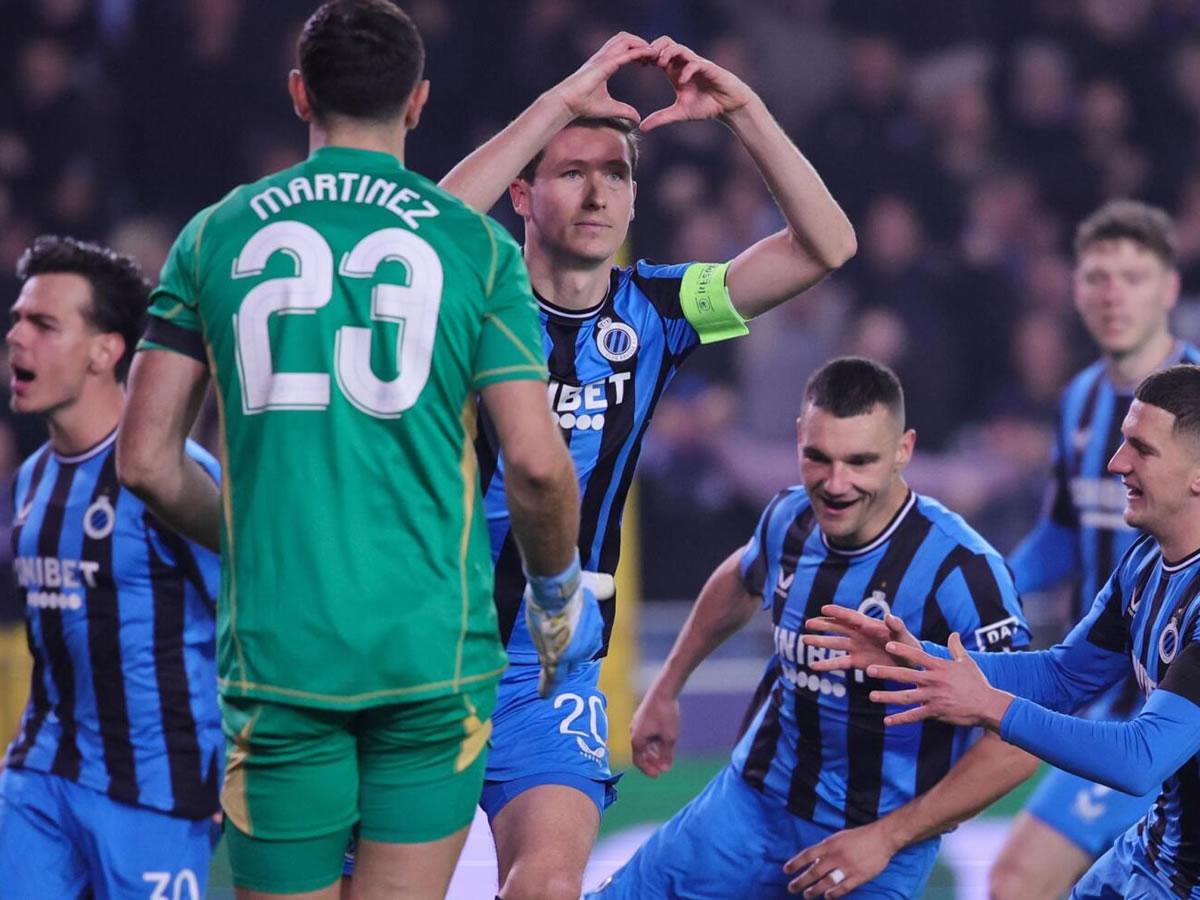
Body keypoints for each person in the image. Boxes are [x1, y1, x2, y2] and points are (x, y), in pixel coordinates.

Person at [115, 2, 600, 897]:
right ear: (417, 102)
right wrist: (557, 590)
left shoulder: (216, 234)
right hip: (430, 653)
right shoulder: (473, 246)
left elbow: (144, 459)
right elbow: (536, 462)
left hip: (280, 655)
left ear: (300, 93)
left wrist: (253, 537)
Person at [434, 32, 858, 900]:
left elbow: (826, 247)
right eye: (572, 171)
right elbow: (417, 229)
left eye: (618, 174)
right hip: (423, 652)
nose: (599, 192)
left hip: (546, 673)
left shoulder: (660, 309)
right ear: (521, 192)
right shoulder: (459, 296)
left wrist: (743, 110)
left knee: (548, 884)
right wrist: (559, 100)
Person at [590, 357, 1037, 899]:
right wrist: (667, 686)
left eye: (860, 462)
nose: (835, 484)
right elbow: (740, 576)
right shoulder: (789, 516)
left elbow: (1021, 741)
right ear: (799, 438)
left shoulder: (964, 574)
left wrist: (887, 837)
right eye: (818, 458)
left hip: (876, 846)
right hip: (750, 806)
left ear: (905, 450)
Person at [811, 363, 1200, 900]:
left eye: (1141, 449)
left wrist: (988, 706)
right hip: (1159, 854)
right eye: (1120, 443)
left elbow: (1139, 760)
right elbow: (1065, 675)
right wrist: (915, 658)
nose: (1116, 463)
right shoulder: (1146, 562)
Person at [0, 236, 222, 898]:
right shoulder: (31, 481)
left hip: (156, 788)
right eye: (16, 318)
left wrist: (240, 762)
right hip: (40, 778)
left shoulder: (177, 479)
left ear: (106, 351)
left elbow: (252, 619)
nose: (16, 337)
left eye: (43, 324)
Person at [992, 200, 1200, 899]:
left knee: (1020, 876)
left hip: (1156, 706)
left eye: (1133, 277)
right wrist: (982, 600)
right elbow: (1058, 533)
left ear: (1169, 288)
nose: (1113, 296)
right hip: (1106, 678)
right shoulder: (1082, 399)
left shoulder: (1192, 406)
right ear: (1074, 290)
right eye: (1098, 277)